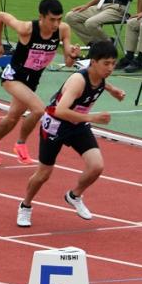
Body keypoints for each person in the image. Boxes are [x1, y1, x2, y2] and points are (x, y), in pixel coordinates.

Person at [16, 40, 126, 227]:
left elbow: (102, 81)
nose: (110, 68)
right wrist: (93, 118)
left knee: (96, 166)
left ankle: (74, 195)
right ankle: (25, 206)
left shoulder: (99, 76)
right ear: (93, 62)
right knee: (43, 174)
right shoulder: (78, 81)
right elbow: (60, 110)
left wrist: (113, 90)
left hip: (77, 125)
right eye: (106, 63)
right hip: (56, 125)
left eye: (113, 64)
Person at [0, 0, 81, 166]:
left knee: (13, 117)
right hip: (13, 76)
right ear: (41, 17)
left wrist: (73, 55)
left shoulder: (63, 30)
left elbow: (68, 63)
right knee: (38, 110)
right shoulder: (26, 28)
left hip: (32, 80)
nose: (56, 24)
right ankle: (20, 144)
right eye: (52, 20)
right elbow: (0, 16)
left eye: (59, 19)